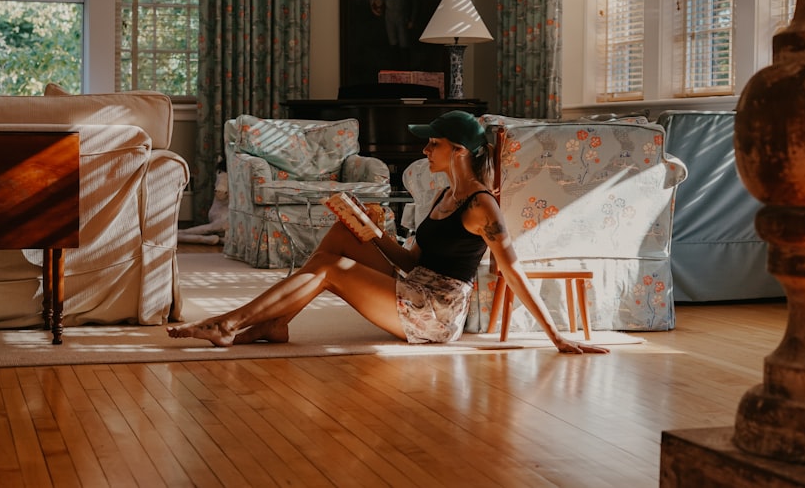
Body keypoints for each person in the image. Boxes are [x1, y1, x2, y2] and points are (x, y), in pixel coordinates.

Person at [168, 110, 609, 354]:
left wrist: (557, 337)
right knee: (342, 241)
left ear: (457, 151)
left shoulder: (481, 206)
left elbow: (512, 272)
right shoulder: (443, 197)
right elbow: (412, 262)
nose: (424, 149)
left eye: (432, 143)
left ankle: (232, 324)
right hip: (415, 286)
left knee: (331, 267)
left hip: (434, 314)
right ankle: (275, 323)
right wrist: (371, 231)